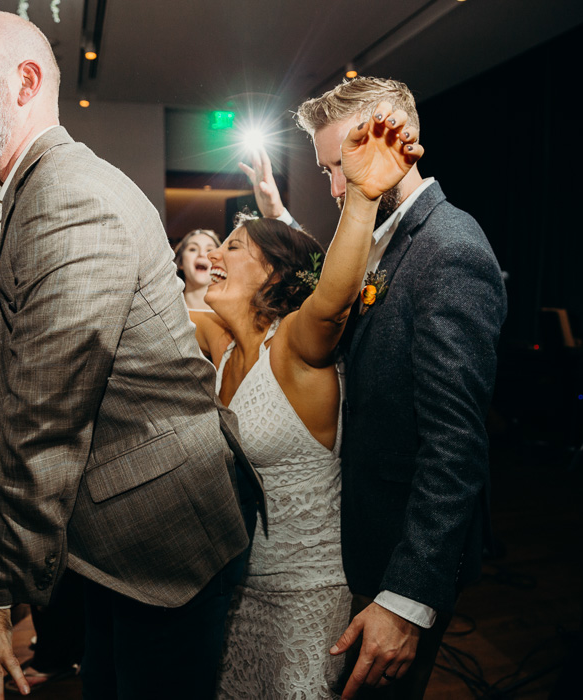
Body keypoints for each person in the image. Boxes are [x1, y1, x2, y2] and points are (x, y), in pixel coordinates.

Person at [0, 10, 262, 700]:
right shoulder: (33, 192)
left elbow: (48, 418)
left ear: (25, 82)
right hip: (107, 536)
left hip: (162, 542)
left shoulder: (69, 199)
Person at [242, 77, 507, 699]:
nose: (335, 188)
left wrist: (408, 597)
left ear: (394, 141)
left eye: (341, 167)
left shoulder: (450, 249)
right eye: (327, 170)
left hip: (402, 555)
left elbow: (455, 443)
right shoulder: (383, 237)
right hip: (360, 541)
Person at [193, 106, 421, 699]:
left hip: (307, 597)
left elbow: (332, 297)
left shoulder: (293, 345)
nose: (213, 254)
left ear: (271, 272)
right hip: (237, 589)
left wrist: (362, 199)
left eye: (233, 246)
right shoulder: (217, 344)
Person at [174, 228, 220, 310]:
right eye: (193, 249)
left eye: (209, 250)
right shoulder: (165, 313)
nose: (201, 254)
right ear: (181, 262)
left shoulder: (231, 315)